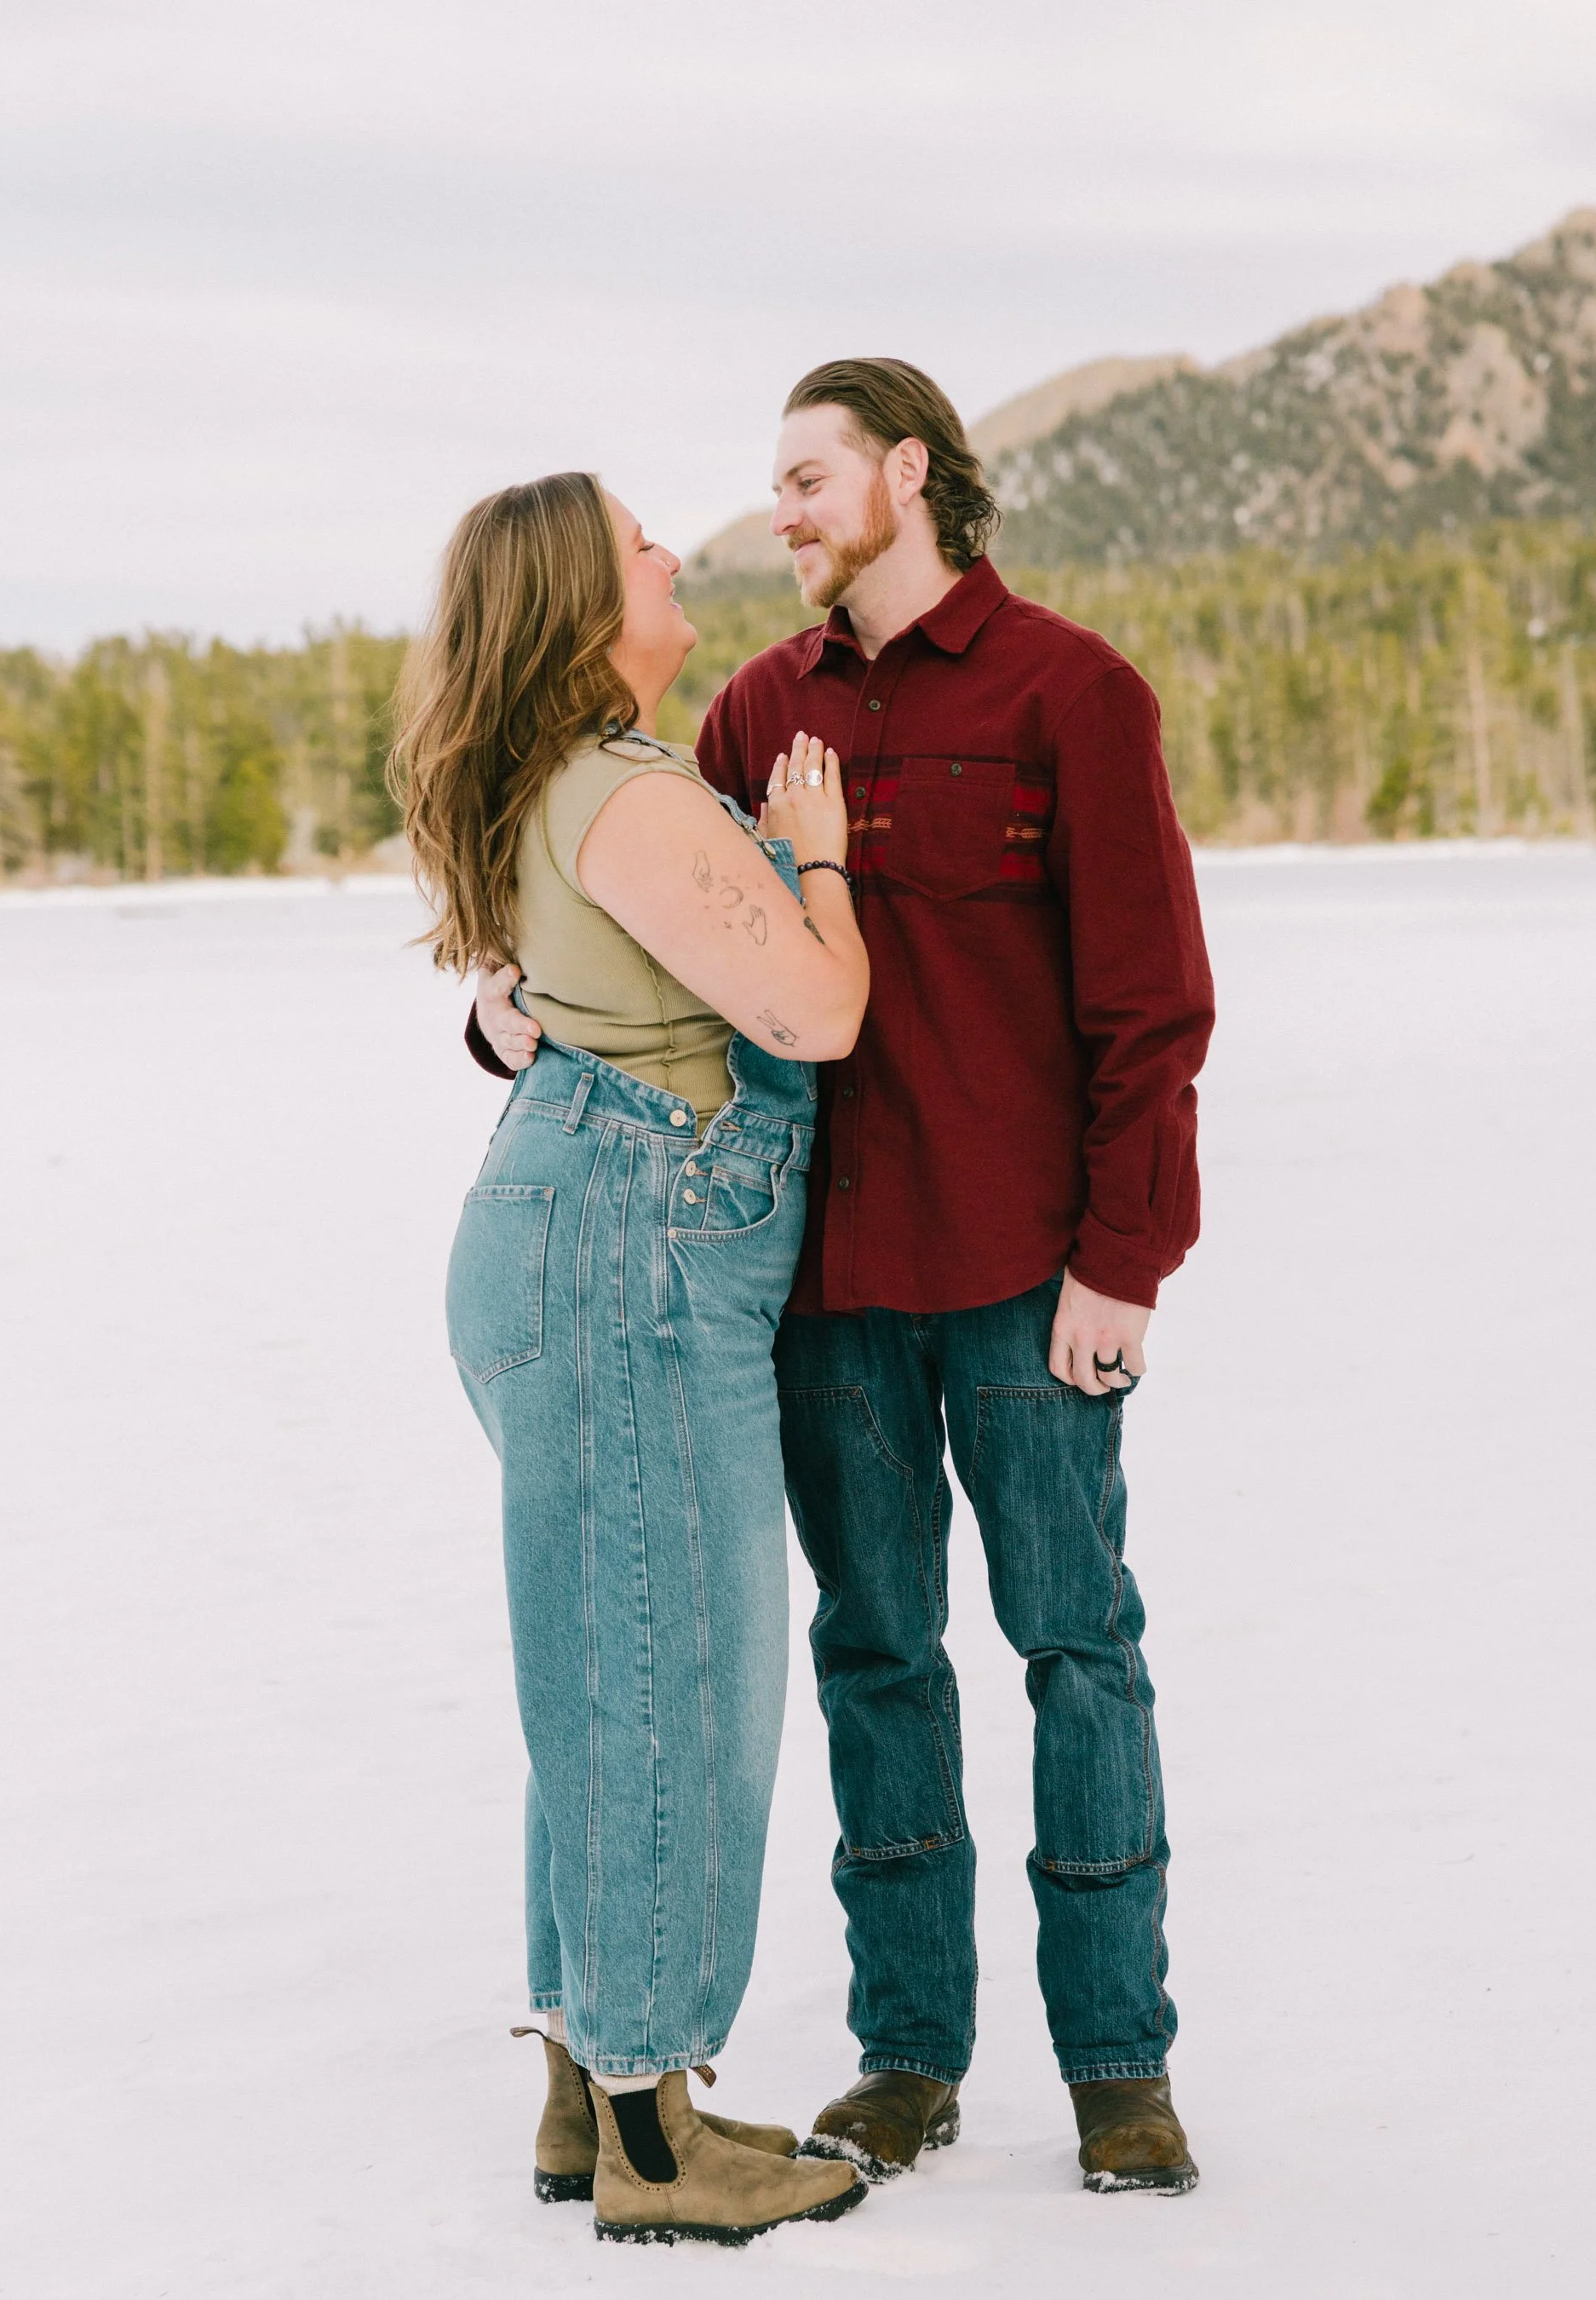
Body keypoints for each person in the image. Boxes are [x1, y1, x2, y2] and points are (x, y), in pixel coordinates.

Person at [473, 364, 1214, 2194]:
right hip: (814, 1290)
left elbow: (1151, 1008)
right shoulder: (748, 714)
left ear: (906, 472)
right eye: (771, 487)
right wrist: (505, 1025)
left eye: (806, 480)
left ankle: (1118, 2068)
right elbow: (649, 938)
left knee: (1077, 1651)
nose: (781, 514)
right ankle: (907, 2055)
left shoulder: (1069, 692)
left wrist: (1125, 1258)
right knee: (874, 1660)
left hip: (1024, 1276)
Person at [392, 470, 874, 2245]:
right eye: (639, 538)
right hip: (625, 1257)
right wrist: (815, 858)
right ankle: (657, 2142)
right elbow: (812, 1013)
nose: (672, 547)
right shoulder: (627, 794)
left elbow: (538, 1002)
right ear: (590, 607)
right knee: (673, 1679)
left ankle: (583, 2087)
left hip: (589, 1239)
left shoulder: (581, 785)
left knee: (615, 1675)